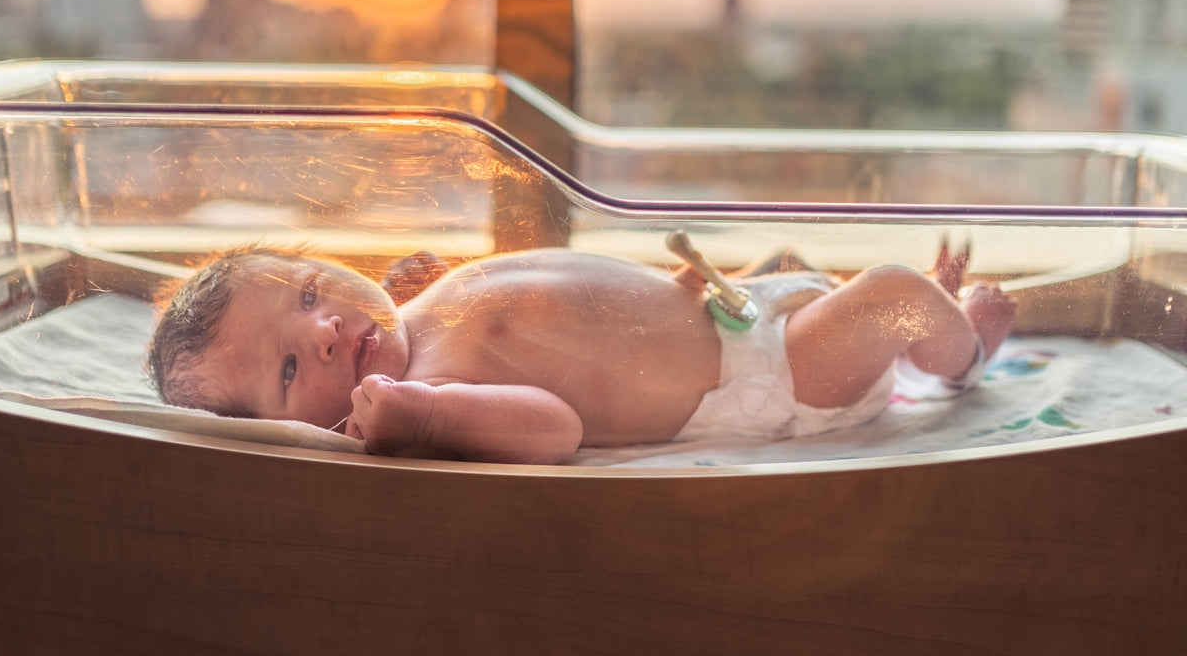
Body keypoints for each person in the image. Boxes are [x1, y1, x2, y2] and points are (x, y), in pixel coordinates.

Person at [147, 239, 1016, 465]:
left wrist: (438, 278)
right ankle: (962, 340)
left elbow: (526, 314)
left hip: (737, 308)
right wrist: (429, 416)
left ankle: (923, 323)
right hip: (762, 376)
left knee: (810, 277)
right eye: (291, 367)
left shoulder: (415, 316)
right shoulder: (431, 385)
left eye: (306, 293)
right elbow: (554, 428)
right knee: (892, 293)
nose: (325, 328)